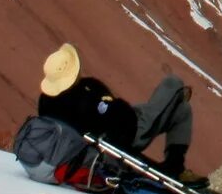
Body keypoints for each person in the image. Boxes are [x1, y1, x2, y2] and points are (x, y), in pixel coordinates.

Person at [34, 43, 197, 182]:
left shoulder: (46, 101)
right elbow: (119, 116)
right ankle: (175, 165)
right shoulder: (85, 97)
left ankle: (175, 165)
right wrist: (114, 104)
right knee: (173, 83)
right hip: (127, 134)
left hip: (98, 140)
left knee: (183, 110)